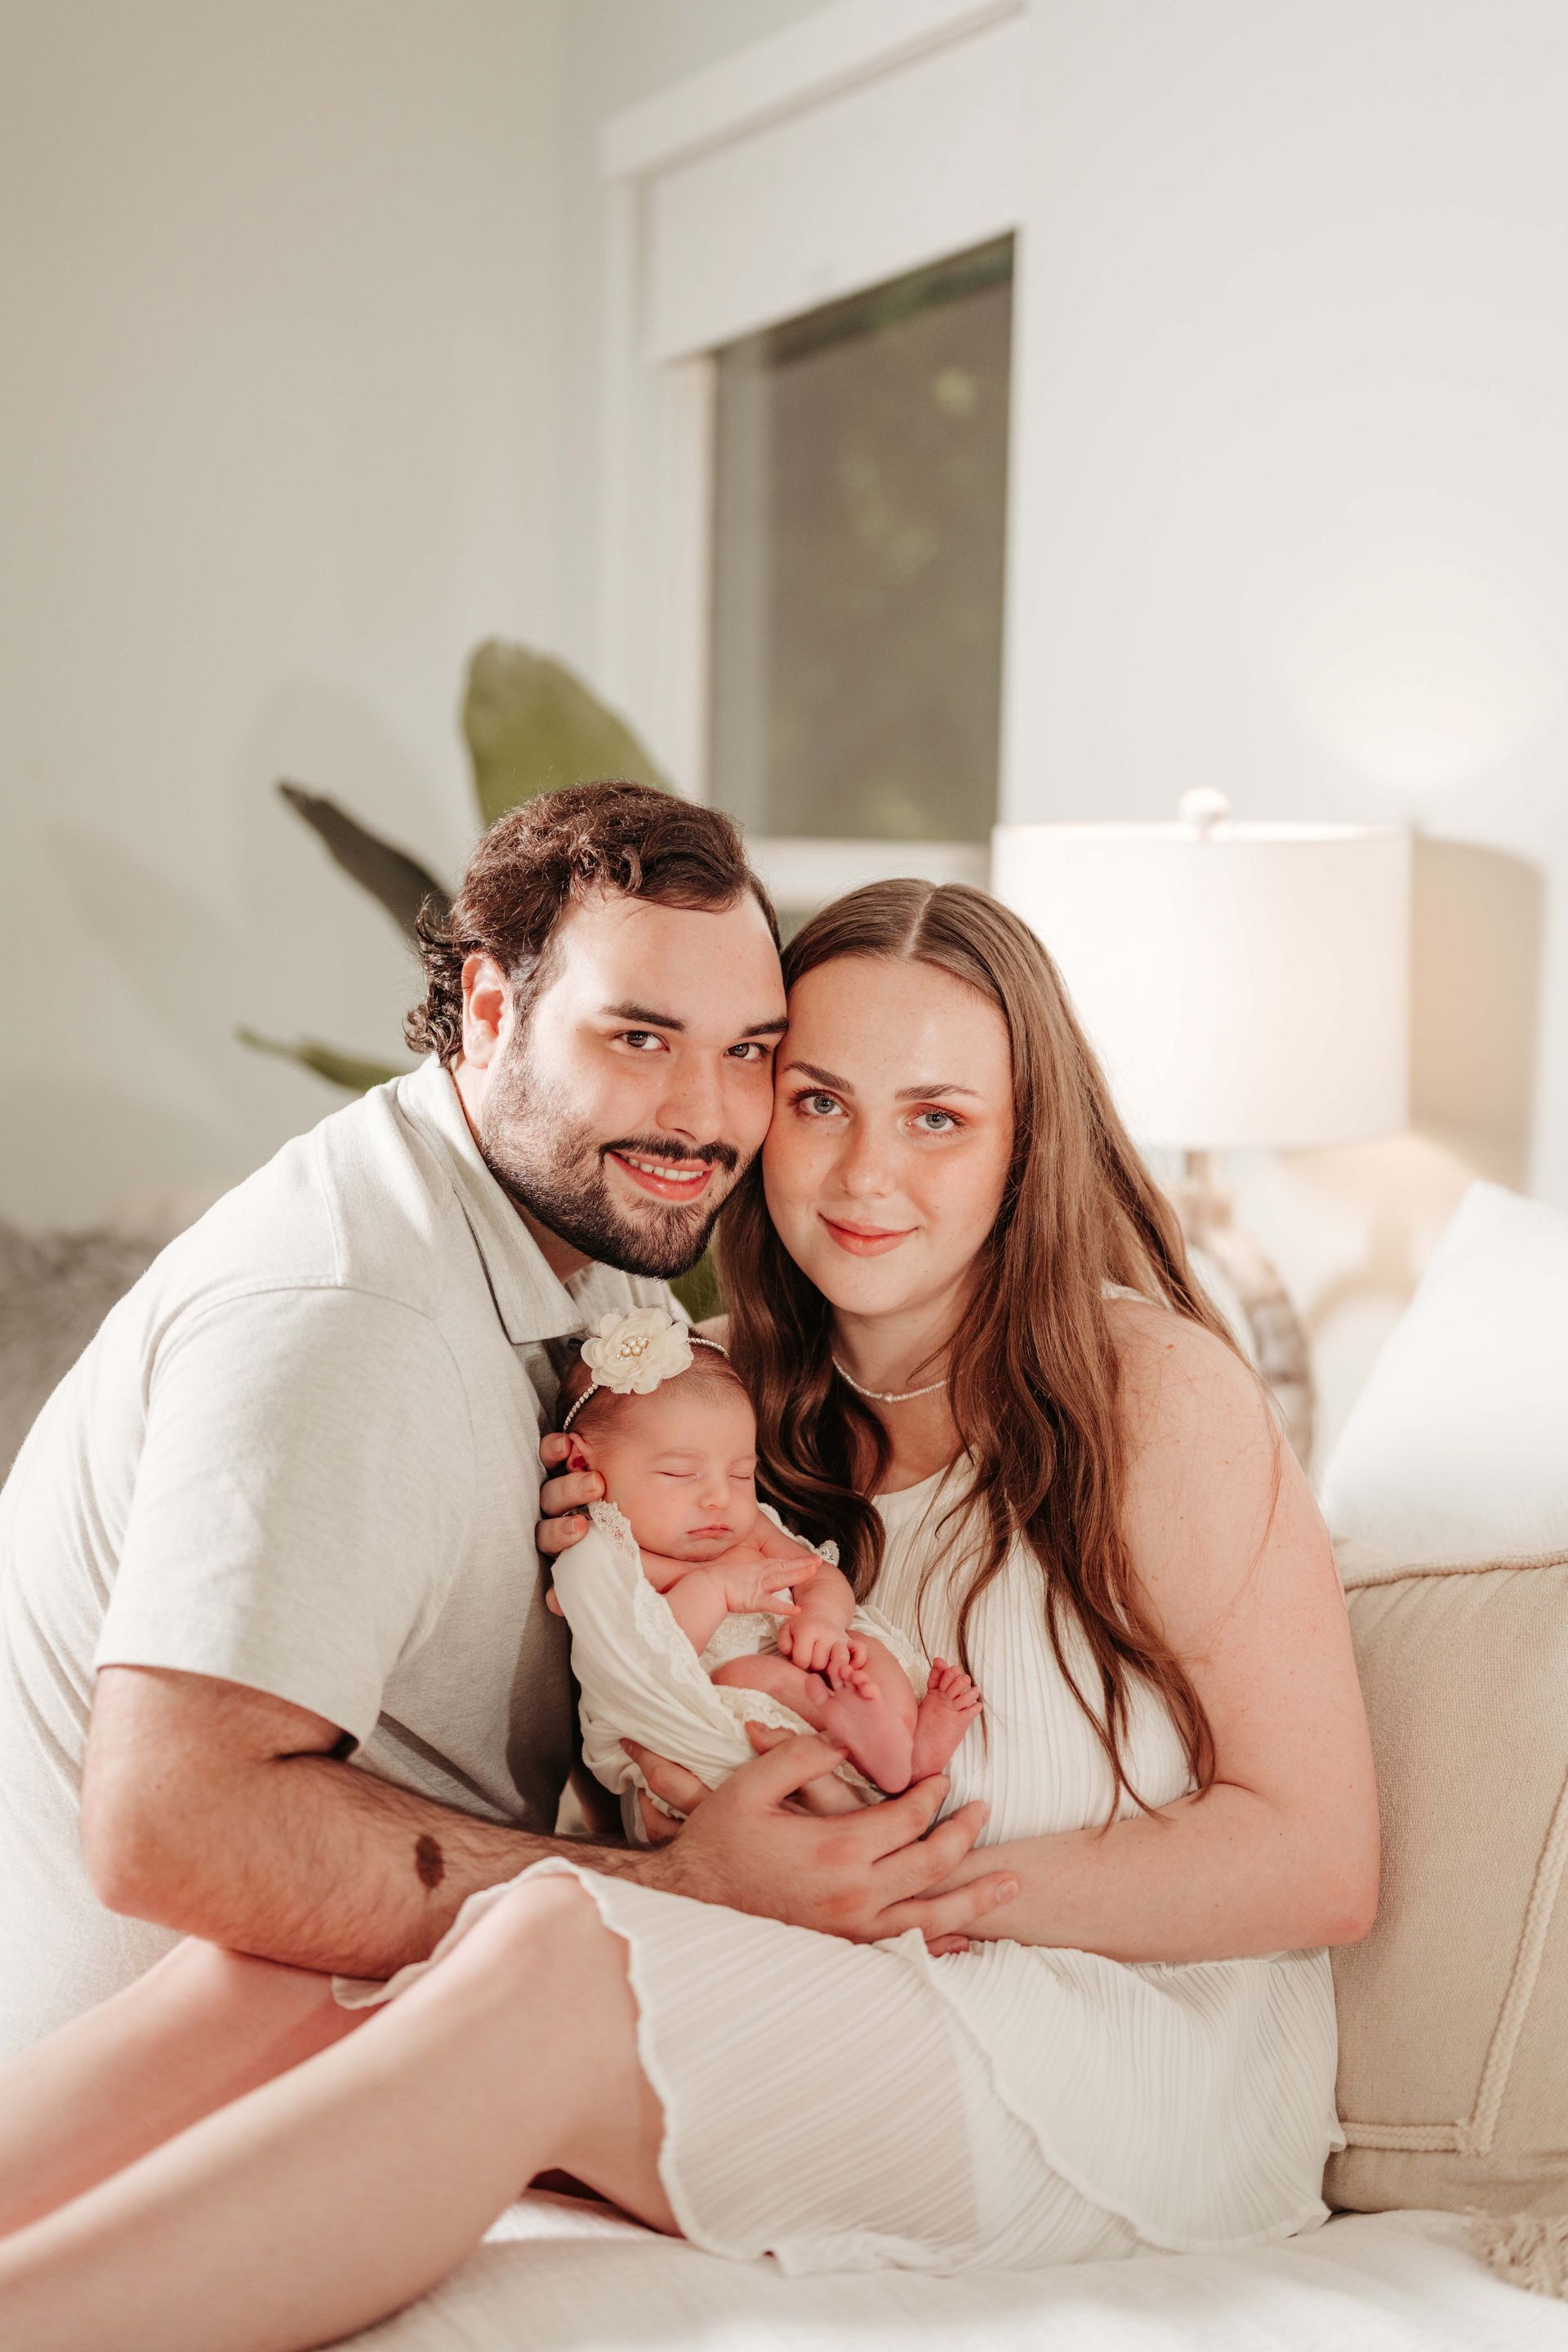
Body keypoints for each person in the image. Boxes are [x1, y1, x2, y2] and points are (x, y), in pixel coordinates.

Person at [0, 880, 1379, 2352]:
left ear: (1025, 1146)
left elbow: (1316, 1860)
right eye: (820, 1101)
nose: (864, 1176)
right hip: (835, 1984)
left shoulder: (1150, 1389)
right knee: (302, 1950)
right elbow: (633, 1750)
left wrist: (887, 1890)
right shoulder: (686, 1406)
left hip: (1118, 2067)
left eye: (937, 1118)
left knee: (545, 1954)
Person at [0, 786, 1004, 2063]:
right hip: (178, 2077)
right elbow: (170, 1826)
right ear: (488, 1010)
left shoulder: (606, 1240)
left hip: (405, 2009)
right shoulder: (345, 1317)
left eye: (749, 1050)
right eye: (640, 1039)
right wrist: (689, 1893)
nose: (703, 1116)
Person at [543, 1307, 982, 1804]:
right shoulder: (603, 1553)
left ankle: (908, 1750)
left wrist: (820, 1620)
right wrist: (714, 1588)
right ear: (583, 1462)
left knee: (864, 1647)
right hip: (721, 1706)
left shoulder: (748, 1526)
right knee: (743, 1675)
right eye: (680, 1474)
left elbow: (816, 1574)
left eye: (739, 1474)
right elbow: (648, 1663)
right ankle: (839, 1721)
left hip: (811, 1664)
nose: (719, 1498)